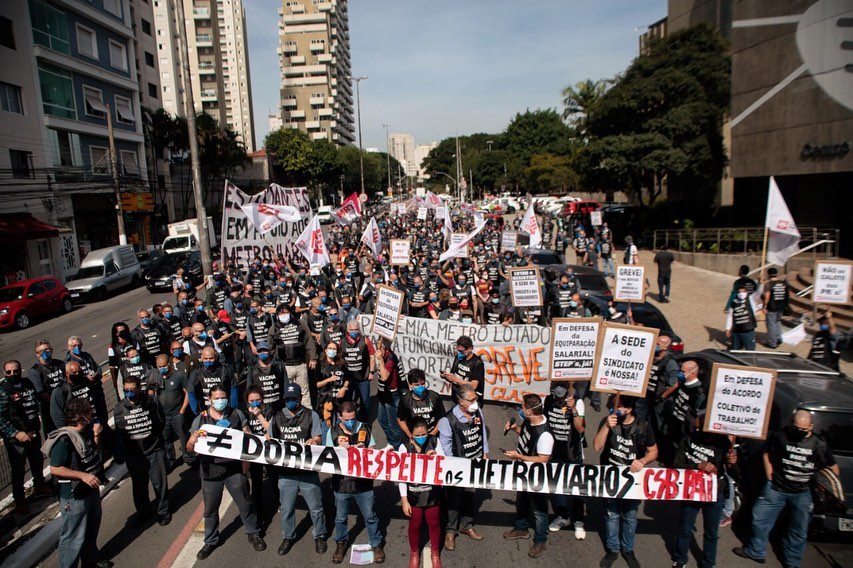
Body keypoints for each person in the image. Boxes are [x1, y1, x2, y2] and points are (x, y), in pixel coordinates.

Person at [734, 410, 840, 567]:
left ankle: (792, 562)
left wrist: (823, 483)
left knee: (799, 530)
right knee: (760, 520)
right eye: (796, 428)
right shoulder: (780, 436)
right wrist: (769, 475)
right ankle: (756, 551)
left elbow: (833, 468)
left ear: (811, 426)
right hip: (776, 488)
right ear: (791, 424)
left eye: (804, 429)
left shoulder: (819, 444)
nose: (799, 431)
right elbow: (766, 453)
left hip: (802, 492)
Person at [187, 384, 266, 559]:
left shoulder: (236, 414)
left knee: (245, 503)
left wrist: (246, 461)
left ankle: (253, 532)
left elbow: (248, 438)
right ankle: (210, 540)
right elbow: (190, 449)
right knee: (210, 509)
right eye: (217, 398)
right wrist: (192, 440)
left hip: (234, 469)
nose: (220, 401)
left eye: (223, 397)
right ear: (210, 399)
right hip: (210, 471)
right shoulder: (200, 419)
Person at [44, 397, 113, 568]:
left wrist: (96, 436)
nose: (92, 414)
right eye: (89, 411)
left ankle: (91, 560)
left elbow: (91, 453)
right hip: (74, 496)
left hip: (90, 490)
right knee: (73, 536)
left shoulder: (86, 432)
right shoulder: (64, 440)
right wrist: (83, 476)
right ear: (81, 416)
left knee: (91, 528)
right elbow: (55, 468)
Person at [593, 395, 658, 568]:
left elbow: (653, 451)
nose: (615, 409)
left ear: (629, 409)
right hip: (612, 478)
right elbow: (597, 446)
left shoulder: (643, 426)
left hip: (633, 480)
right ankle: (613, 549)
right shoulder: (608, 422)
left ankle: (628, 550)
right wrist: (607, 426)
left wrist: (642, 461)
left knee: (630, 516)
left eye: (619, 406)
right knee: (612, 514)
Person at [268, 383, 328, 556]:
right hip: (287, 473)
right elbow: (271, 439)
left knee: (316, 508)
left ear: (300, 398)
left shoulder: (311, 415)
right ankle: (288, 536)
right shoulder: (277, 417)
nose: (290, 402)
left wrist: (315, 441)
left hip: (308, 471)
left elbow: (318, 437)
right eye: (288, 399)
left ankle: (320, 535)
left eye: (293, 398)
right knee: (287, 509)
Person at [671, 416, 738, 568]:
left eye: (700, 428)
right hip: (691, 490)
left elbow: (735, 474)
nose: (696, 431)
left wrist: (732, 464)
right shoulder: (688, 439)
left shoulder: (723, 443)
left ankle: (708, 563)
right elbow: (677, 464)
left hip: (714, 493)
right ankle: (680, 560)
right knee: (685, 528)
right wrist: (698, 466)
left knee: (711, 532)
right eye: (695, 428)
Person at [325, 401, 385, 564]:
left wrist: (365, 451)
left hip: (363, 484)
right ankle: (341, 543)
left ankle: (376, 544)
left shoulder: (365, 428)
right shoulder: (332, 431)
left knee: (370, 516)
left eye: (352, 418)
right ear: (340, 417)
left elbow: (373, 451)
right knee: (340, 518)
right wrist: (339, 449)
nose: (350, 422)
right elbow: (327, 456)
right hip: (342, 483)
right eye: (347, 419)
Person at [112, 375, 170, 526]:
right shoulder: (119, 409)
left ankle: (163, 511)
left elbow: (161, 421)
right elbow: (119, 433)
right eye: (126, 390)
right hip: (134, 455)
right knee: (139, 487)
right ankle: (143, 512)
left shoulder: (152, 402)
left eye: (132, 390)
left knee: (159, 483)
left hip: (154, 450)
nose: (129, 393)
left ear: (139, 389)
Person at [502, 393, 554, 559]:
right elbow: (526, 435)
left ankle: (540, 540)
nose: (521, 409)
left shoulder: (545, 434)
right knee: (522, 500)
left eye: (523, 407)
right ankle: (521, 528)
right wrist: (515, 428)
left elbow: (543, 459)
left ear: (530, 411)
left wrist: (518, 456)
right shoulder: (529, 421)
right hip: (524, 472)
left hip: (536, 476)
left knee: (539, 510)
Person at [437, 384, 487, 551]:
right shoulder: (447, 420)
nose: (475, 403)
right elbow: (446, 446)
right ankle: (450, 531)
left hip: (474, 464)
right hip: (457, 467)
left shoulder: (478, 412)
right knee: (454, 500)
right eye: (471, 400)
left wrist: (485, 453)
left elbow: (482, 433)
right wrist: (452, 467)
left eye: (475, 399)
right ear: (461, 401)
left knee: (470, 496)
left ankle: (467, 525)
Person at [1, 359, 53, 514]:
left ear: (20, 370)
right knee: (18, 470)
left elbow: (35, 403)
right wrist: (15, 433)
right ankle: (20, 501)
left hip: (32, 431)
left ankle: (39, 486)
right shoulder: (3, 390)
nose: (12, 374)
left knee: (37, 460)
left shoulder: (27, 383)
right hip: (17, 438)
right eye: (9, 372)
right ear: (4, 373)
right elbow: (0, 417)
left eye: (15, 371)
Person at [399, 417, 444, 568]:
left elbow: (444, 462)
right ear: (411, 435)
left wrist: (435, 458)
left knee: (434, 523)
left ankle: (435, 553)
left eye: (424, 434)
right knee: (414, 525)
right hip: (414, 495)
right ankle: (414, 554)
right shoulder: (404, 447)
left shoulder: (435, 442)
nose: (421, 438)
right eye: (417, 435)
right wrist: (404, 500)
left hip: (432, 494)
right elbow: (401, 476)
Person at [544, 383, 587, 539]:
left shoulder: (578, 402)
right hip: (554, 451)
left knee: (576, 487)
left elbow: (581, 428)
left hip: (572, 452)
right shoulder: (548, 400)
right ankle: (563, 516)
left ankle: (579, 520)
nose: (558, 396)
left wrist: (573, 409)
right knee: (556, 485)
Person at [267, 304, 314, 409]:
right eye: (281, 313)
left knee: (304, 391)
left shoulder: (301, 324)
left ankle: (307, 412)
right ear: (277, 315)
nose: (283, 315)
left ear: (290, 313)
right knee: (288, 391)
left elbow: (309, 341)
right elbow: (270, 347)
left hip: (301, 364)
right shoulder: (274, 328)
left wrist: (313, 358)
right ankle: (289, 412)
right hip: (285, 365)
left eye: (286, 312)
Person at [148, 354, 190, 470]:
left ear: (170, 364)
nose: (162, 368)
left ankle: (188, 457)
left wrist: (182, 410)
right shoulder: (155, 376)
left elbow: (187, 393)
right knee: (166, 440)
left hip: (177, 414)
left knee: (183, 437)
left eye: (164, 366)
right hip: (163, 416)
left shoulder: (180, 375)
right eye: (159, 366)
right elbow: (150, 394)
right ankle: (171, 461)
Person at [244, 385, 275, 526]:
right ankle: (258, 509)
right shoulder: (244, 413)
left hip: (269, 449)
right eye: (252, 401)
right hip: (254, 452)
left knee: (274, 477)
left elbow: (270, 428)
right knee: (256, 481)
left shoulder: (268, 410)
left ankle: (278, 501)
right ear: (247, 401)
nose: (255, 403)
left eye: (258, 400)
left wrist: (259, 415)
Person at [29, 339, 66, 436]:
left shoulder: (60, 364)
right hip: (49, 409)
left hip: (67, 405)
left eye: (47, 350)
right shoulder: (35, 371)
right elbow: (41, 393)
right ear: (37, 354)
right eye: (40, 351)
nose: (44, 353)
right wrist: (58, 402)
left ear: (52, 350)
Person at [397, 369, 446, 440]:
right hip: (413, 437)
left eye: (422, 384)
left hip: (432, 436)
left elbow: (442, 418)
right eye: (417, 385)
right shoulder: (405, 399)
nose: (420, 387)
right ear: (410, 385)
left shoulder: (434, 397)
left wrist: (433, 434)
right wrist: (409, 435)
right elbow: (400, 419)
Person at [341, 320, 375, 422]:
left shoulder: (365, 340)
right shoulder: (342, 342)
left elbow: (372, 356)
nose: (354, 332)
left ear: (359, 330)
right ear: (347, 330)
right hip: (349, 379)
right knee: (348, 402)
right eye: (351, 330)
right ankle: (349, 422)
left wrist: (371, 372)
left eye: (356, 330)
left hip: (363, 377)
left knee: (365, 402)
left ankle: (364, 424)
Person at [374, 338, 403, 450]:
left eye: (379, 346)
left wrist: (381, 360)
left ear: (384, 347)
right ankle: (392, 441)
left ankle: (398, 446)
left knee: (393, 424)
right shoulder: (381, 356)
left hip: (392, 395)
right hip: (382, 394)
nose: (377, 349)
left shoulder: (390, 358)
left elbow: (385, 376)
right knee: (382, 420)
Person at [246, 341, 288, 412]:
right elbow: (249, 387)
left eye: (265, 350)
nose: (262, 352)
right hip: (261, 406)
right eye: (260, 351)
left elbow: (285, 383)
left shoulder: (279, 365)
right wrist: (250, 406)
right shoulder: (253, 367)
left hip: (279, 405)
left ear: (269, 351)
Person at [441, 336, 485, 403]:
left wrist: (456, 379)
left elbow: (473, 386)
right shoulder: (458, 357)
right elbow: (453, 375)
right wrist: (446, 376)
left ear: (470, 349)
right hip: (456, 397)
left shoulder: (477, 363)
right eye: (458, 350)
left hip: (469, 401)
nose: (460, 353)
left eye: (462, 351)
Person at [762, 267, 789, 348]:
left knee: (771, 325)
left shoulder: (768, 284)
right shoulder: (784, 283)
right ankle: (778, 338)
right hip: (781, 307)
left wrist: (764, 306)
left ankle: (772, 343)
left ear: (768, 275)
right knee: (778, 322)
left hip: (772, 307)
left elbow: (767, 297)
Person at [725, 285, 758, 350]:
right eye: (739, 292)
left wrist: (761, 284)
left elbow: (758, 293)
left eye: (743, 292)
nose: (741, 294)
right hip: (737, 331)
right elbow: (729, 316)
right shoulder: (733, 303)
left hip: (748, 330)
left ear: (746, 292)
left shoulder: (751, 299)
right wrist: (728, 329)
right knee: (736, 349)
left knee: (750, 349)